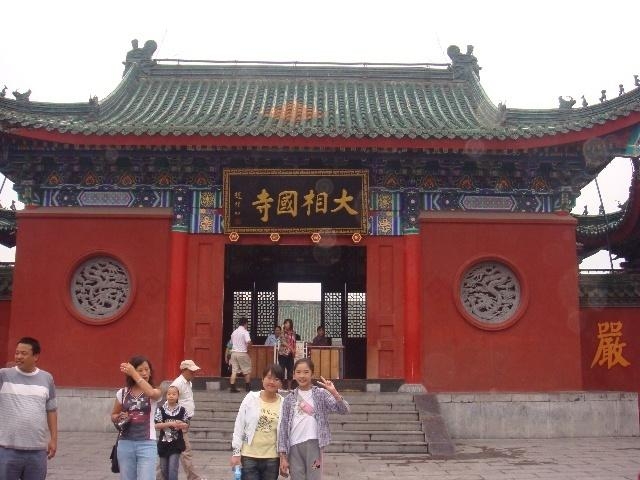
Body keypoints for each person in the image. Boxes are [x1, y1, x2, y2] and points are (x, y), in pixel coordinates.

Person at [278, 358, 349, 480]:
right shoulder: (289, 399)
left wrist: (334, 392)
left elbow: (344, 410)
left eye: (306, 372)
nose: (302, 376)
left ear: (312, 374)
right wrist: (283, 455)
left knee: (314, 476)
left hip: (315, 446)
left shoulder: (321, 394)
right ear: (293, 374)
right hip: (294, 448)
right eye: (298, 372)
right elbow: (283, 427)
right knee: (296, 477)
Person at [0, 337, 57, 480]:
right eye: (17, 353)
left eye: (23, 353)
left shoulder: (47, 378)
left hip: (37, 451)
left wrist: (54, 439)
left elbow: (51, 410)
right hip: (7, 449)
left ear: (35, 356)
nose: (18, 356)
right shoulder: (4, 376)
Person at [111, 355, 162, 480]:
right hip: (125, 442)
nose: (144, 373)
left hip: (147, 443)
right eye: (140, 370)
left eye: (147, 369)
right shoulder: (122, 393)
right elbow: (113, 415)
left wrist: (134, 373)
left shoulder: (156, 391)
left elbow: (150, 393)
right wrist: (119, 417)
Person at [230, 364, 285, 480]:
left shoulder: (284, 403)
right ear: (262, 379)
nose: (272, 382)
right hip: (249, 456)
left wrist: (284, 458)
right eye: (269, 378)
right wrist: (236, 453)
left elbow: (285, 434)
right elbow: (239, 426)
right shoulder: (251, 398)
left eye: (276, 379)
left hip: (272, 458)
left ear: (281, 383)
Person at [157, 360, 206, 480]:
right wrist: (173, 421)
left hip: (184, 420)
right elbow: (168, 401)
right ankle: (193, 477)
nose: (194, 373)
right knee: (185, 450)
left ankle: (160, 477)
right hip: (177, 422)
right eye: (191, 371)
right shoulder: (177, 384)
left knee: (172, 449)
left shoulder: (188, 383)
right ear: (184, 370)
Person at [154, 386, 189, 480]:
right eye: (169, 394)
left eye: (174, 394)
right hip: (163, 443)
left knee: (173, 468)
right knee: (163, 468)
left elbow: (186, 425)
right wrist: (170, 423)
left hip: (176, 443)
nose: (171, 396)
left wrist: (181, 424)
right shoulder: (160, 409)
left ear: (178, 396)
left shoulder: (182, 410)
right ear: (166, 395)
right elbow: (156, 425)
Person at [230, 317, 253, 393]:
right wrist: (249, 348)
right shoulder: (245, 332)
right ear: (245, 323)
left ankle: (232, 387)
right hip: (242, 353)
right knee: (246, 370)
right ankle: (248, 387)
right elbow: (248, 342)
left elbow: (231, 343)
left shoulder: (234, 332)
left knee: (234, 371)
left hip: (234, 353)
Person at [277, 318, 296, 390]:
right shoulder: (282, 332)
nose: (286, 324)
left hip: (290, 354)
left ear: (291, 324)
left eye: (288, 323)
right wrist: (291, 348)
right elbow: (283, 342)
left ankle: (289, 388)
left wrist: (294, 350)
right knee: (281, 370)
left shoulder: (293, 332)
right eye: (285, 323)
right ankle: (280, 387)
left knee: (290, 370)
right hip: (283, 353)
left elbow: (294, 342)